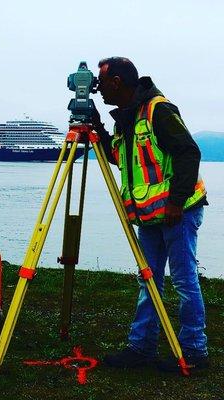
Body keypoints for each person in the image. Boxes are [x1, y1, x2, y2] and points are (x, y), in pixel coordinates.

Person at [91, 57, 209, 371]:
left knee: (184, 282)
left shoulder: (159, 110)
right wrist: (97, 127)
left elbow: (189, 152)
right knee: (149, 281)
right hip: (149, 216)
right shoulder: (126, 119)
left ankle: (195, 353)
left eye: (101, 82)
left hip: (177, 212)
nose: (97, 89)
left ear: (116, 82)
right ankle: (141, 347)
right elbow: (119, 158)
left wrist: (175, 203)